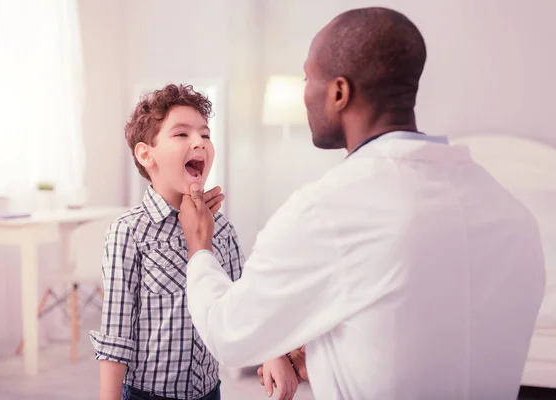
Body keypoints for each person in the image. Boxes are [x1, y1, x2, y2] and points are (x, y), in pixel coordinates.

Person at [177, 7, 546, 400]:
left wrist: (200, 248)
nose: (304, 93)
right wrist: (326, 355)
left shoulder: (327, 212)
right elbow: (422, 336)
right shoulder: (514, 218)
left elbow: (229, 334)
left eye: (307, 77)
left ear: (339, 92)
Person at [89, 84, 299, 400]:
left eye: (205, 134)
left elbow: (245, 302)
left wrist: (274, 353)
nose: (199, 142)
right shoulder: (128, 232)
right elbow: (116, 336)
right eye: (182, 134)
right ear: (147, 154)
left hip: (208, 391)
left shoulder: (222, 229)